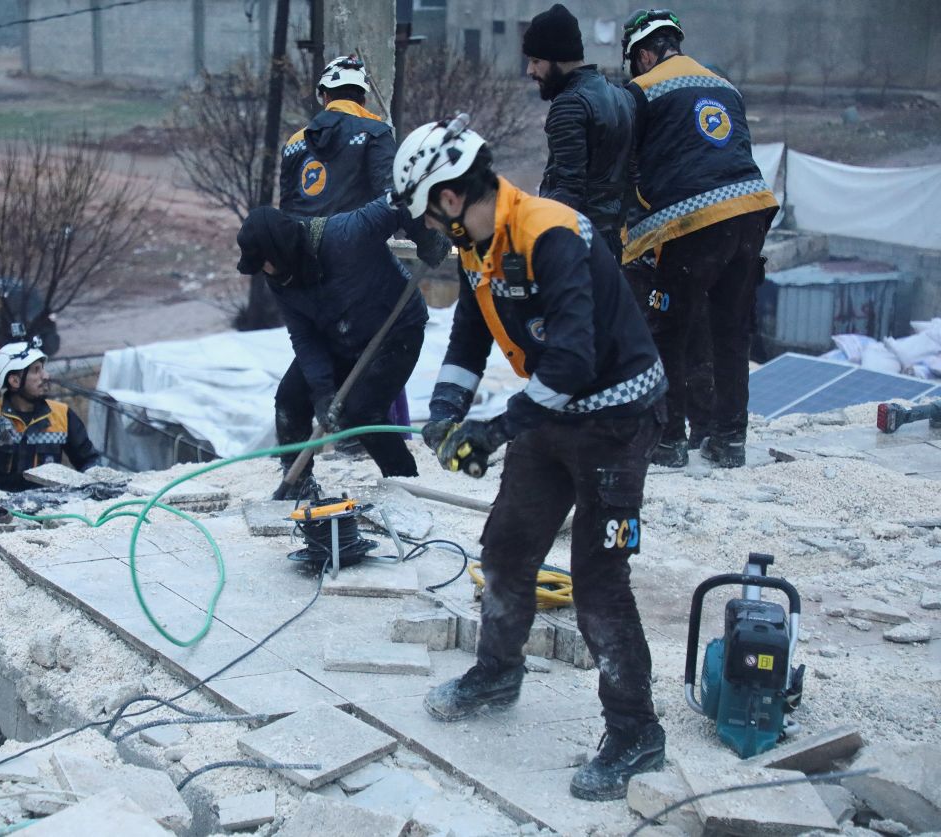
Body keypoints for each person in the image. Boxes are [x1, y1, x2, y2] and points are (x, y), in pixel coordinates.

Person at [392, 117, 668, 801]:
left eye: (427, 210)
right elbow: (466, 340)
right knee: (507, 549)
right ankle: (497, 670)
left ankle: (635, 731)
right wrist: (446, 413)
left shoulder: (548, 232)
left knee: (599, 584)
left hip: (617, 419)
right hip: (553, 413)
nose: (428, 225)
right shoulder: (478, 250)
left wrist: (495, 429)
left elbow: (574, 359)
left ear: (449, 198)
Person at [621, 9, 778, 468]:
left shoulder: (643, 91)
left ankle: (668, 443)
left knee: (669, 326)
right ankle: (729, 442)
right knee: (731, 331)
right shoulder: (725, 85)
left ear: (645, 54)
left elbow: (629, 167)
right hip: (750, 214)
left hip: (695, 224)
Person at [235, 196, 428, 493]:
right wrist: (323, 392)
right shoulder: (280, 279)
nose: (264, 271)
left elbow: (400, 199)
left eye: (264, 262)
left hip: (395, 329)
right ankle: (298, 483)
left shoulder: (344, 234)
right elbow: (304, 337)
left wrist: (424, 236)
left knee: (363, 410)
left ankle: (405, 481)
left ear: (280, 248)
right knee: (290, 399)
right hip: (337, 337)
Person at [279, 55, 448, 263]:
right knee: (409, 296)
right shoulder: (373, 134)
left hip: (302, 266)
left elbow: (286, 211)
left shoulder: (294, 143)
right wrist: (430, 243)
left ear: (325, 97)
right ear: (363, 100)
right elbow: (395, 199)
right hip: (355, 262)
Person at [523, 3, 634, 260]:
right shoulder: (621, 97)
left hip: (577, 245)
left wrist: (537, 244)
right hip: (612, 242)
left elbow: (567, 188)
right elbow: (631, 177)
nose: (530, 70)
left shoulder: (569, 104)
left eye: (536, 61)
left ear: (558, 57)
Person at [0, 338, 99, 492]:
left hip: (48, 503)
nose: (46, 376)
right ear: (15, 381)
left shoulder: (62, 414)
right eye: (36, 370)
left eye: (43, 369)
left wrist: (94, 481)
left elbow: (88, 460)